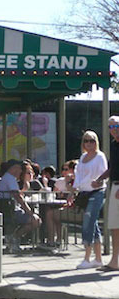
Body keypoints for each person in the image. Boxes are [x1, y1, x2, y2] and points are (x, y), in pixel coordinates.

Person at [69, 130, 108, 269]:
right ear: (83, 143)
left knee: (88, 221)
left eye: (92, 140)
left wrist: (98, 181)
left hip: (97, 192)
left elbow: (105, 174)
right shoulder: (82, 157)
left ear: (96, 142)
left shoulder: (100, 156)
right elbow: (78, 177)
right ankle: (97, 258)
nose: (89, 143)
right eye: (86, 140)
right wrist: (72, 192)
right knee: (93, 224)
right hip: (84, 193)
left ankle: (87, 257)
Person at [92, 116, 119, 271]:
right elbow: (112, 168)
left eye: (116, 125)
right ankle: (115, 260)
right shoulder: (114, 145)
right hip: (114, 186)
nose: (113, 129)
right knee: (115, 225)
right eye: (110, 127)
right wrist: (100, 178)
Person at [0, 159, 42, 253]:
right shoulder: (10, 179)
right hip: (11, 210)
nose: (21, 171)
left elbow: (17, 195)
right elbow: (18, 197)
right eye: (20, 169)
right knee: (36, 220)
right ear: (14, 168)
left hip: (11, 209)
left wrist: (24, 189)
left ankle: (13, 238)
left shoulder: (8, 178)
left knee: (35, 219)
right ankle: (14, 237)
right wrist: (29, 212)